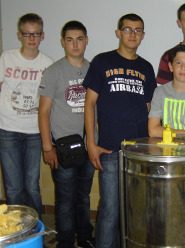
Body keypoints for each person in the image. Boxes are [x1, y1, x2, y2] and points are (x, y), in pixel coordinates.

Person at [83, 13, 157, 248]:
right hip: (109, 149)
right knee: (109, 210)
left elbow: (150, 109)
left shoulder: (146, 67)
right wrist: (91, 143)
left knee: (135, 211)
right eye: (127, 29)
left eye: (138, 30)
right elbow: (89, 104)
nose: (132, 34)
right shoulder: (102, 61)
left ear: (143, 35)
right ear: (118, 33)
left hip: (138, 152)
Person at [38, 21, 95, 248]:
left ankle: (84, 237)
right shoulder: (53, 72)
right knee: (64, 201)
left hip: (89, 146)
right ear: (62, 42)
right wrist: (47, 147)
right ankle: (64, 242)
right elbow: (43, 112)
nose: (75, 44)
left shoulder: (94, 69)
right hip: (62, 149)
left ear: (86, 41)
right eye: (69, 39)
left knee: (83, 197)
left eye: (79, 39)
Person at [0, 13, 53, 218]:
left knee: (32, 187)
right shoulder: (6, 57)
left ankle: (34, 231)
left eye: (36, 34)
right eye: (27, 34)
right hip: (7, 129)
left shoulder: (47, 63)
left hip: (34, 132)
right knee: (13, 188)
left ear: (42, 35)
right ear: (19, 35)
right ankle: (17, 233)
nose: (31, 38)